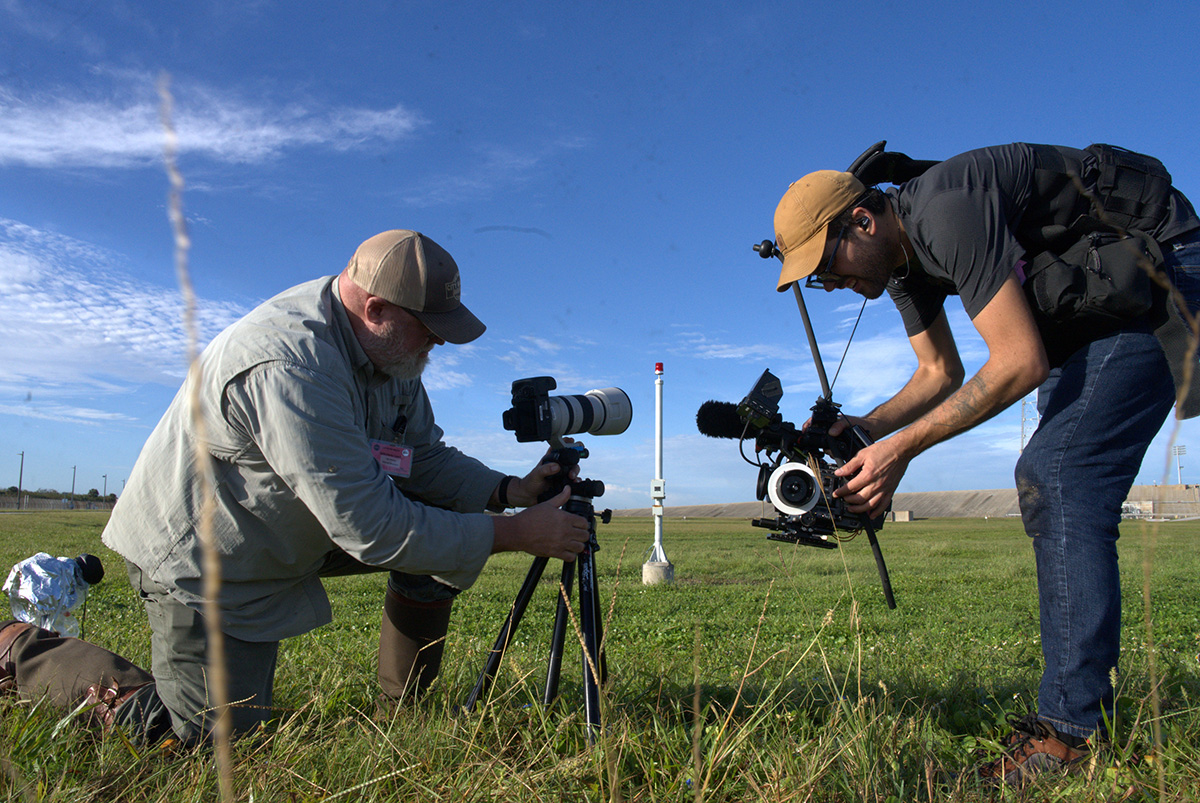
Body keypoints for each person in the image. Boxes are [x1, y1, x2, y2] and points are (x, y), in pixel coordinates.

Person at [0, 229, 591, 743]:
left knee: (441, 523)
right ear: (378, 308)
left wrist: (508, 491)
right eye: (428, 330)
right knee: (203, 742)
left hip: (296, 526)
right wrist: (514, 535)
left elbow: (419, 458)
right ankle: (20, 648)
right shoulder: (293, 364)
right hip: (210, 557)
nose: (435, 345)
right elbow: (373, 527)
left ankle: (402, 713)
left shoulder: (390, 354)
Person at [770, 143, 1200, 786]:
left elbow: (1018, 362)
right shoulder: (899, 263)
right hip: (1093, 305)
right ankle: (1075, 722)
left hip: (1159, 266)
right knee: (1056, 481)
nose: (829, 284)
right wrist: (863, 429)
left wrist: (902, 448)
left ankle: (1071, 737)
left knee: (1059, 476)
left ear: (862, 221)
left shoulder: (943, 213)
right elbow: (938, 372)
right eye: (816, 279)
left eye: (825, 262)